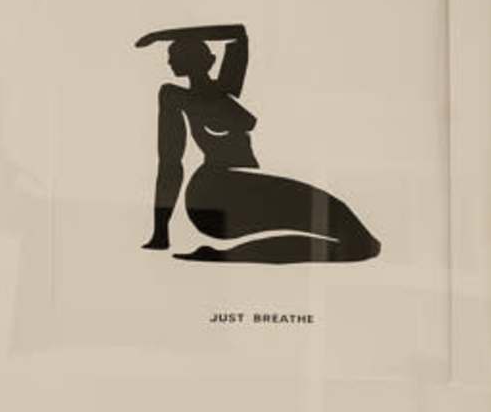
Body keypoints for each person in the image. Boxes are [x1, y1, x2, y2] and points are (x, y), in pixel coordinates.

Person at [135, 24, 381, 264]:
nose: (168, 62)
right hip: (215, 192)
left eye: (174, 55)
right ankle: (228, 255)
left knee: (358, 239)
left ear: (201, 60)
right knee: (354, 237)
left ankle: (227, 255)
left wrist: (163, 35)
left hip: (243, 188)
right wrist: (161, 232)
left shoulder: (226, 88)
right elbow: (170, 163)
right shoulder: (175, 97)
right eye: (170, 54)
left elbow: (238, 33)